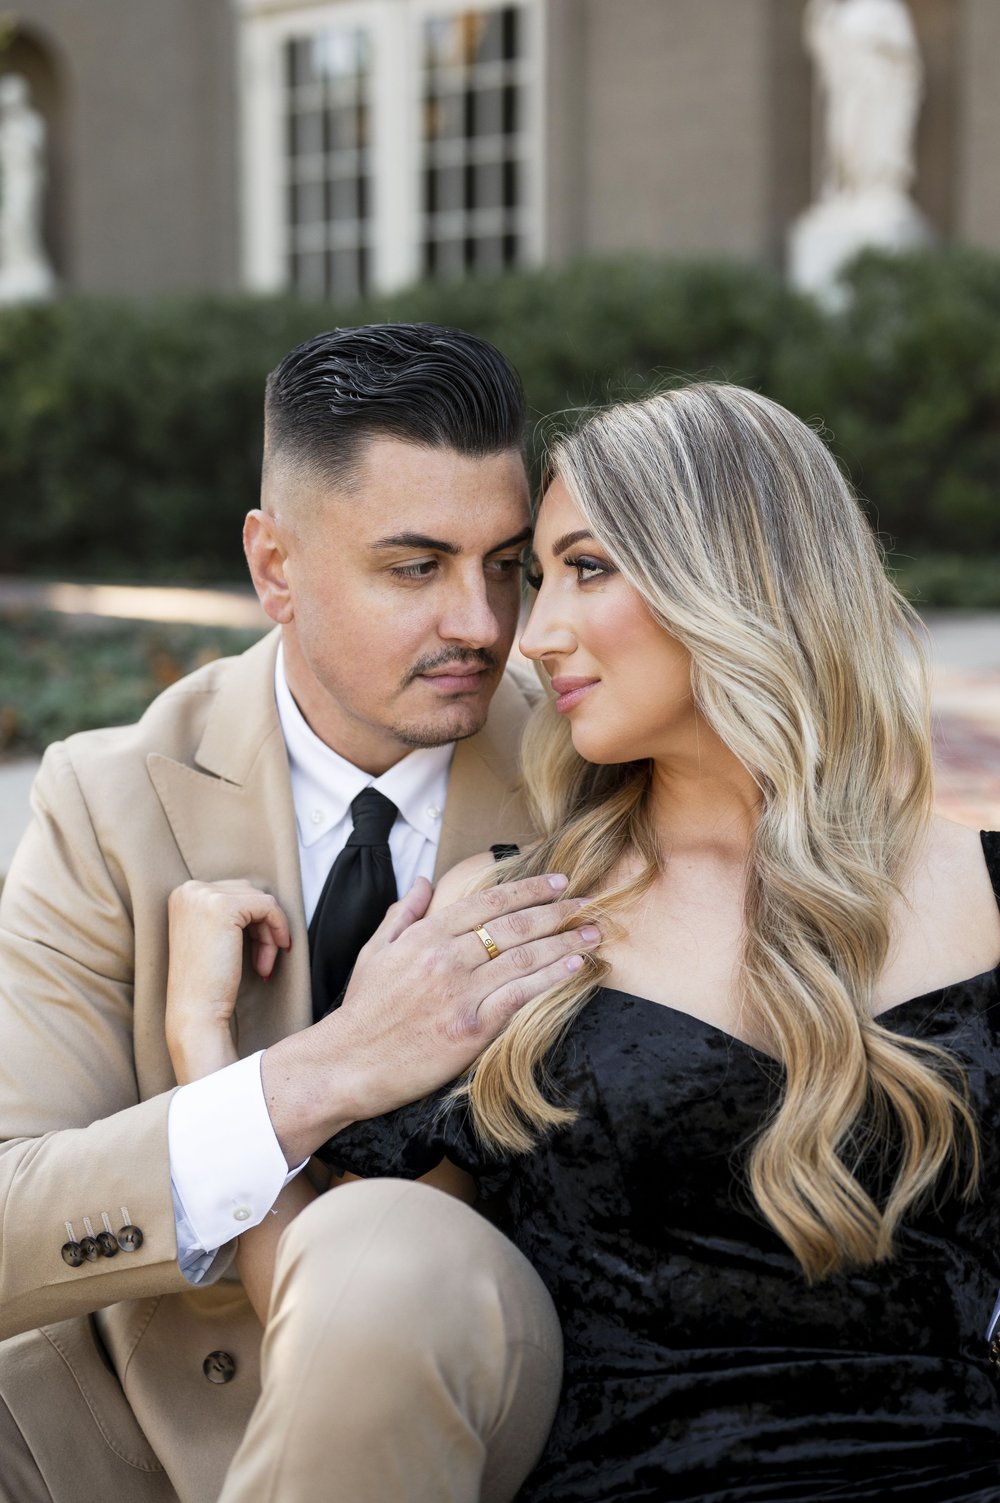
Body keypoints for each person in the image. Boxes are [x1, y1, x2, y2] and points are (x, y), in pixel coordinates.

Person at [169, 380, 1000, 1501]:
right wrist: (202, 1048)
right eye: (538, 576)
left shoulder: (985, 891)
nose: (536, 632)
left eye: (586, 568)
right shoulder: (508, 910)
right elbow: (351, 1314)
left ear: (738, 574)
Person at [0, 324, 607, 1502]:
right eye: (415, 567)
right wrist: (306, 1080)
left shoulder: (591, 771)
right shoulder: (107, 796)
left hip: (478, 1431)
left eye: (505, 565)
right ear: (274, 568)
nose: (486, 627)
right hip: (112, 1443)